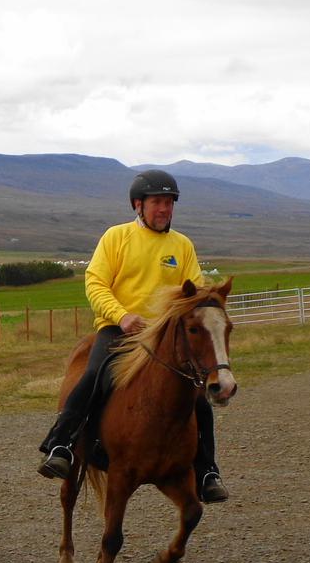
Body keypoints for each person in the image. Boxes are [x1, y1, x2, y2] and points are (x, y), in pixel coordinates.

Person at [36, 168, 229, 501]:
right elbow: (95, 282)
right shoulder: (116, 237)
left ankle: (207, 471)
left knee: (198, 398)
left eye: (169, 203)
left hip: (164, 339)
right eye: (157, 202)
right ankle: (62, 444)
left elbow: (195, 292)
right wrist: (121, 316)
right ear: (138, 205)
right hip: (119, 329)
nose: (164, 209)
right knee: (96, 373)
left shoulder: (181, 245)